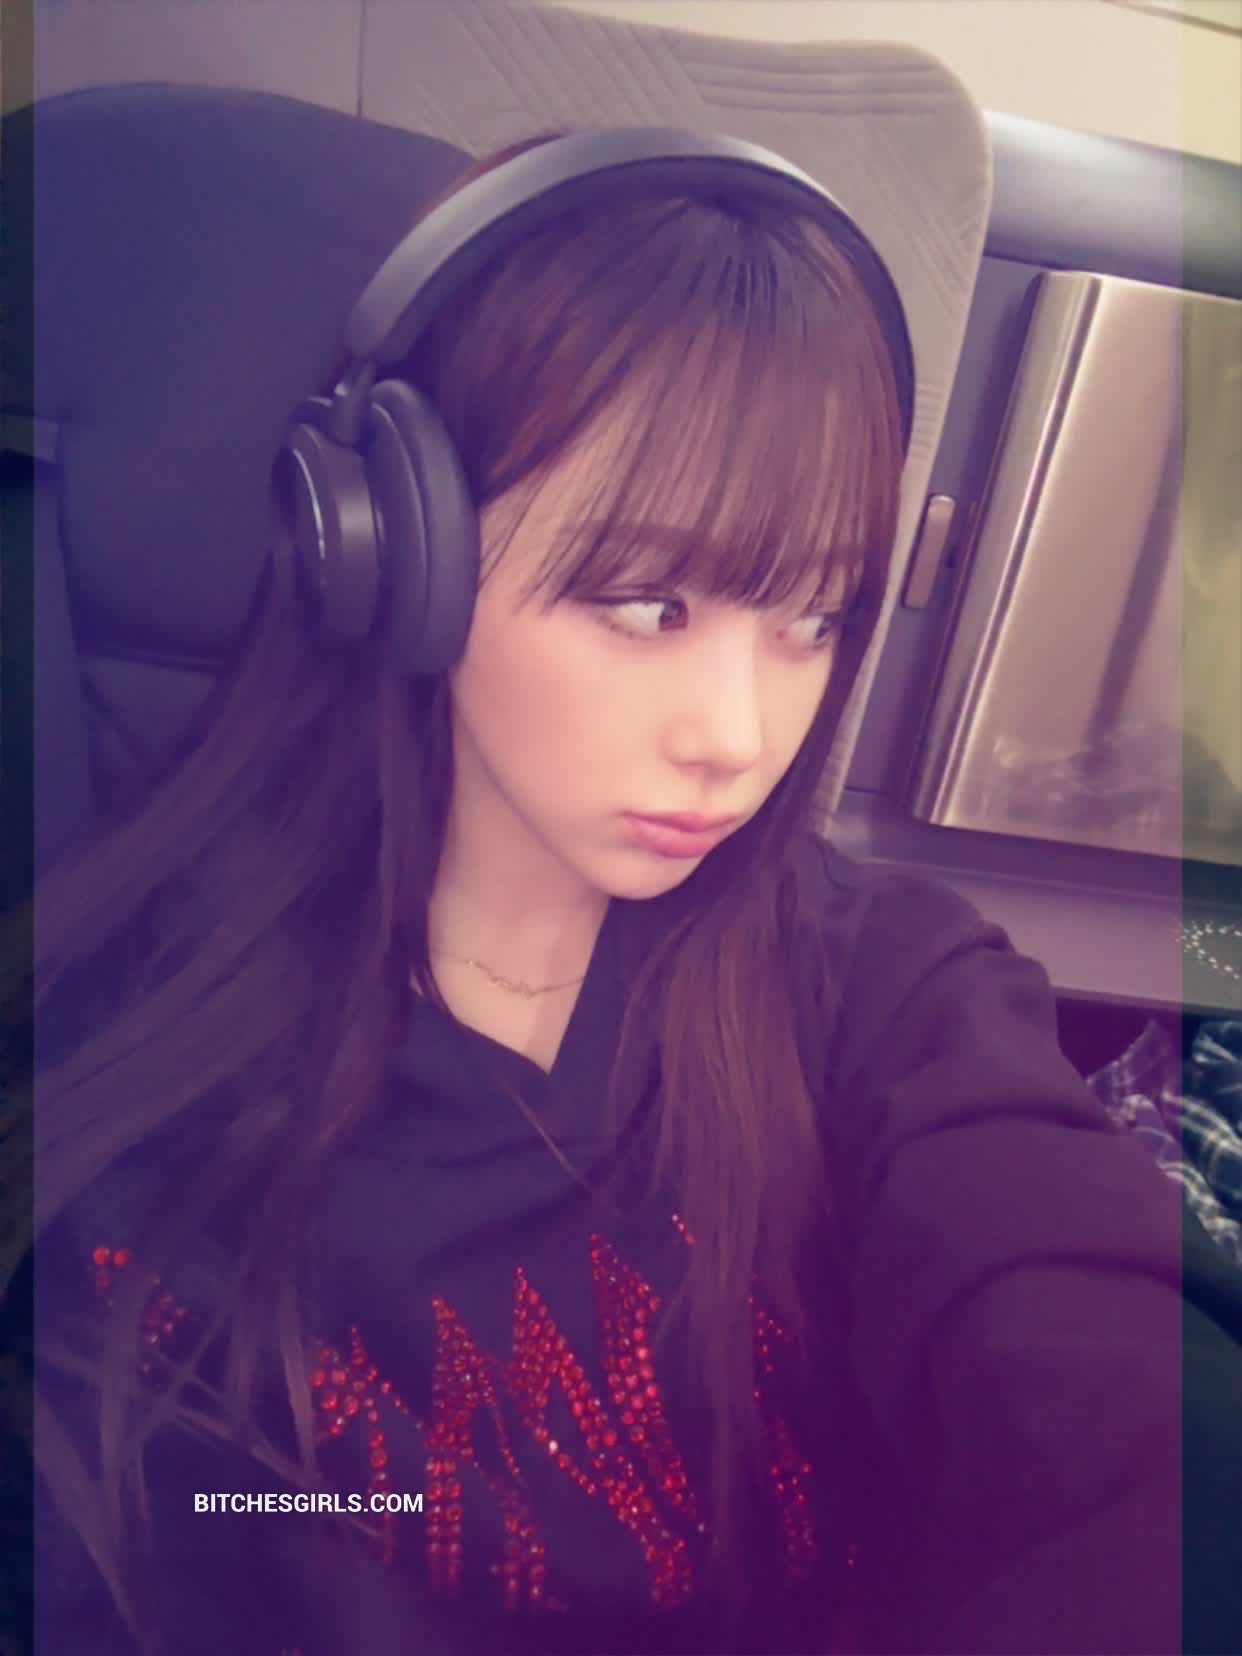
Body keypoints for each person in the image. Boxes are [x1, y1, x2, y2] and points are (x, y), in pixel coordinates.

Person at [19, 128, 1199, 1656]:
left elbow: (1095, 1348)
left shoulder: (885, 981)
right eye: (647, 604)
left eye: (809, 618)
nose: (741, 736)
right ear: (387, 551)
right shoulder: (113, 1060)